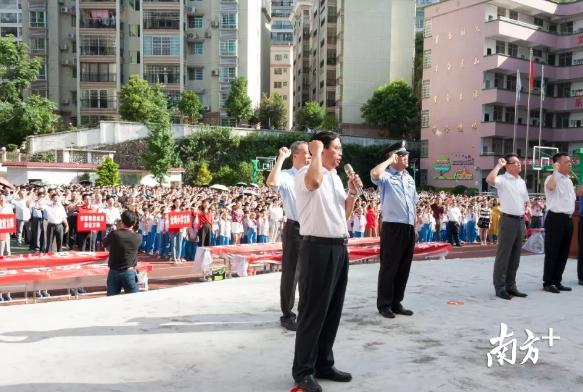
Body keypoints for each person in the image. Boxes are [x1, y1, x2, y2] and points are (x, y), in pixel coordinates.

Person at [292, 131, 359, 392]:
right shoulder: (306, 173)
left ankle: (323, 363)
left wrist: (352, 193)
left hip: (338, 248)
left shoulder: (334, 177)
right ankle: (303, 371)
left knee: (332, 311)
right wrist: (315, 151)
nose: (341, 153)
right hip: (316, 249)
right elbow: (314, 182)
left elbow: (343, 214)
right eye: (337, 148)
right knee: (312, 313)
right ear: (322, 149)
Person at [371, 141, 418, 319]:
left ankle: (397, 302)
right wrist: (389, 161)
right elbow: (374, 174)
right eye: (402, 155)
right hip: (393, 226)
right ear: (394, 157)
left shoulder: (409, 177)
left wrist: (414, 226)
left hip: (408, 227)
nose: (407, 158)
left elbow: (412, 202)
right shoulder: (386, 176)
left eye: (406, 155)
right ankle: (384, 304)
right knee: (389, 267)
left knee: (404, 267)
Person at [266, 141, 310, 331]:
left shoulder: (312, 176)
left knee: (309, 275)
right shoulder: (286, 176)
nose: (309, 156)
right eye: (306, 153)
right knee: (292, 274)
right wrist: (281, 158)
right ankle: (287, 314)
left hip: (312, 228)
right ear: (295, 155)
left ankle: (306, 311)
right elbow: (271, 183)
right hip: (294, 229)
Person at [485, 153, 529, 300]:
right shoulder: (503, 179)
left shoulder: (521, 181)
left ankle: (511, 285)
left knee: (515, 256)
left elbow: (524, 201)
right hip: (508, 220)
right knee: (504, 255)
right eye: (515, 163)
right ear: (508, 165)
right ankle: (500, 287)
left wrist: (524, 220)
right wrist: (499, 165)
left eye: (519, 162)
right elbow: (489, 179)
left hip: (520, 220)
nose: (519, 164)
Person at [543, 153, 583, 293]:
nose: (570, 163)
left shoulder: (568, 180)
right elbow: (551, 187)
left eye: (570, 161)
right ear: (557, 164)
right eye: (566, 162)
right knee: (552, 251)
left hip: (568, 219)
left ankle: (557, 280)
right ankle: (548, 282)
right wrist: (555, 170)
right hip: (555, 218)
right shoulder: (551, 178)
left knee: (563, 252)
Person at [103, 210, 142, 296]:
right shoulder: (138, 237)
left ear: (122, 221)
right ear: (134, 223)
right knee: (134, 300)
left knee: (111, 301)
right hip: (129, 271)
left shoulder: (114, 234)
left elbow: (105, 243)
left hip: (114, 271)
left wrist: (116, 229)